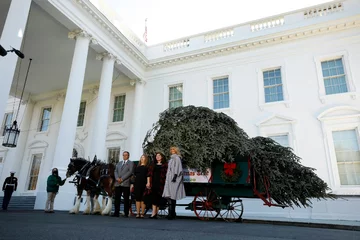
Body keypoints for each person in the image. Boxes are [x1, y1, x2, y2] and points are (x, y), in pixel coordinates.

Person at [162, 146, 186, 220]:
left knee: (173, 196)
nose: (172, 150)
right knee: (169, 196)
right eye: (171, 149)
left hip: (174, 178)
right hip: (169, 178)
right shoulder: (171, 158)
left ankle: (172, 213)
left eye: (173, 149)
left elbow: (178, 168)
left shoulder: (177, 158)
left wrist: (175, 176)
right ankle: (171, 212)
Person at [145, 152, 168, 219]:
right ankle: (153, 213)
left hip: (161, 183)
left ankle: (156, 213)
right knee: (154, 197)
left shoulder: (165, 165)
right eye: (156, 156)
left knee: (158, 198)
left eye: (159, 155)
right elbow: (149, 174)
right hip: (153, 182)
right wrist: (148, 182)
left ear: (162, 157)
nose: (157, 157)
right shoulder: (152, 165)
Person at [113, 151, 134, 217]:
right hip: (117, 183)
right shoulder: (119, 163)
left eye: (126, 155)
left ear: (128, 156)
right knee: (117, 199)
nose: (124, 156)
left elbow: (130, 172)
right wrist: (117, 178)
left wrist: (122, 179)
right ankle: (116, 213)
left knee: (126, 199)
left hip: (125, 183)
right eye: (123, 155)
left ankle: (126, 213)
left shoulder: (131, 163)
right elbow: (115, 171)